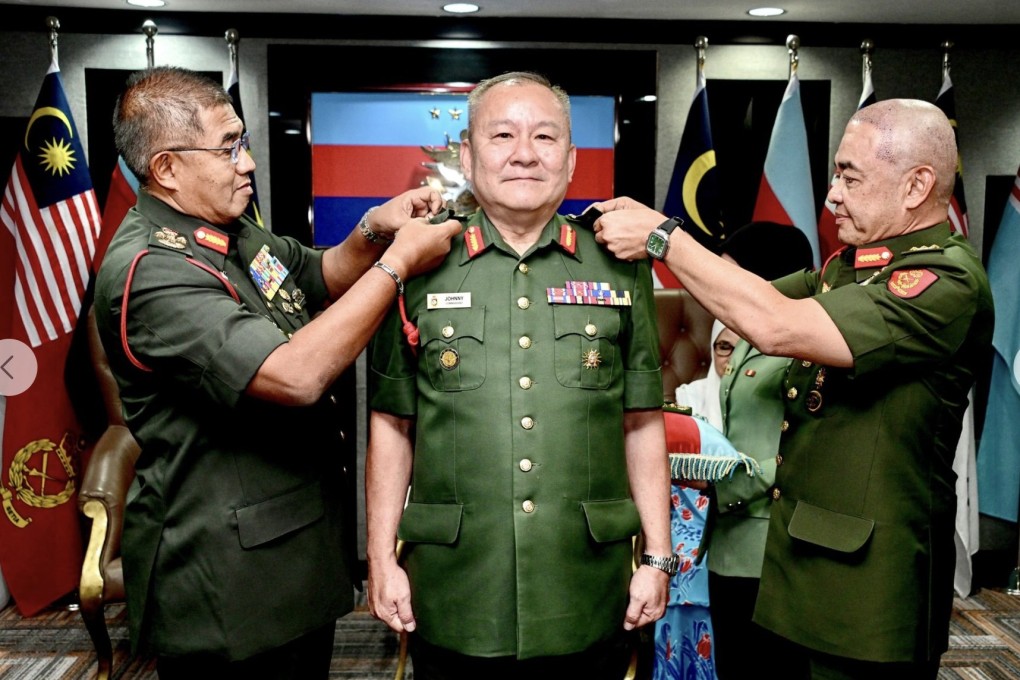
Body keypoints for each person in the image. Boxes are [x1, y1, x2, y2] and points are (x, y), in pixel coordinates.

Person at [591, 98, 994, 678]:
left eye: (849, 176)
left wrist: (663, 237)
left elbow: (776, 324)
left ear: (916, 186)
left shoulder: (943, 281)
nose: (832, 194)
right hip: (796, 576)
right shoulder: (851, 267)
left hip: (868, 601)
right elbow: (741, 297)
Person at [92, 66, 461, 678]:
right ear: (165, 169)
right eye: (227, 147)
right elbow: (294, 375)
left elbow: (319, 274)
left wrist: (376, 226)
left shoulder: (229, 233)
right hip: (227, 584)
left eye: (243, 143)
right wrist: (397, 265)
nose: (247, 163)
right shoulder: (152, 269)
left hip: (288, 554)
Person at [364, 71, 672, 678]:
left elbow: (641, 420)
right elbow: (392, 422)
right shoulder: (416, 261)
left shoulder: (619, 267)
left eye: (545, 137)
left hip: (585, 583)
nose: (525, 153)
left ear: (572, 159)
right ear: (468, 155)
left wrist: (658, 557)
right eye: (502, 135)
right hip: (456, 589)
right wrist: (380, 555)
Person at [707, 222, 815, 680]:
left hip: (771, 544)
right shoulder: (747, 334)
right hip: (729, 540)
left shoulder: (805, 339)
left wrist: (721, 488)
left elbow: (798, 445)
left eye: (735, 275)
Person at [674, 318, 737, 431]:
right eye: (724, 347)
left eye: (743, 349)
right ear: (712, 350)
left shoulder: (767, 395)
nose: (733, 360)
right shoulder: (689, 396)